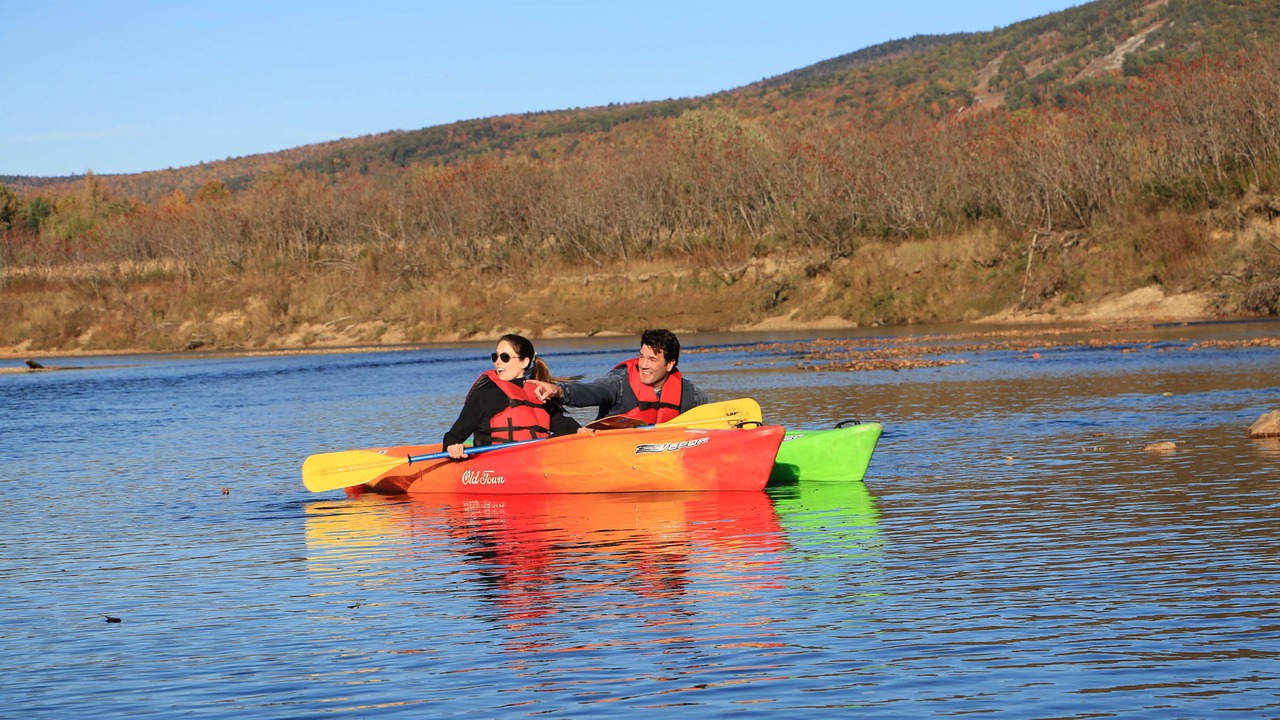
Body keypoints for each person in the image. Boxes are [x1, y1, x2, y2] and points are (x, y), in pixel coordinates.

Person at [443, 334, 581, 459]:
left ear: (524, 362)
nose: (497, 362)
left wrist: (583, 432)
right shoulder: (485, 395)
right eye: (495, 356)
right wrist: (453, 446)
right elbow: (454, 435)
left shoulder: (539, 392)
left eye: (504, 357)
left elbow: (564, 426)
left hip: (534, 462)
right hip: (493, 468)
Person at [528, 328, 709, 423]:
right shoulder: (619, 383)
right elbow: (594, 391)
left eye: (652, 360)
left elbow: (714, 418)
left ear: (670, 364)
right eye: (641, 357)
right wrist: (560, 391)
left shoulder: (690, 395)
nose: (643, 365)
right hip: (615, 457)